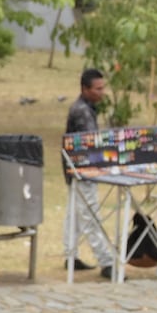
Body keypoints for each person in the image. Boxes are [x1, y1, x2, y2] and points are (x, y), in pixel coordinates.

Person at [62, 68, 115, 280]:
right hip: (83, 171)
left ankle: (70, 255)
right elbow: (91, 144)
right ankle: (107, 262)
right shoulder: (82, 112)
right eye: (97, 88)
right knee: (90, 215)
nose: (102, 92)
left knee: (74, 213)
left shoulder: (85, 108)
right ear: (85, 89)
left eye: (103, 88)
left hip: (75, 170)